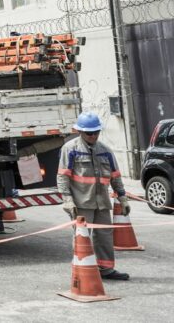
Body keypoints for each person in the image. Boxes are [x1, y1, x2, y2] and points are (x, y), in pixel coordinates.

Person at [57, 111, 131, 281]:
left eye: (96, 132)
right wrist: (67, 199)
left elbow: (115, 176)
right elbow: (62, 176)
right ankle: (82, 271)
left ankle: (106, 269)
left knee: (104, 236)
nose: (93, 136)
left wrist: (122, 197)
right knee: (82, 237)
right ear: (80, 132)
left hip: (102, 202)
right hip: (82, 202)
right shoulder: (70, 149)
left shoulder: (105, 150)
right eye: (89, 133)